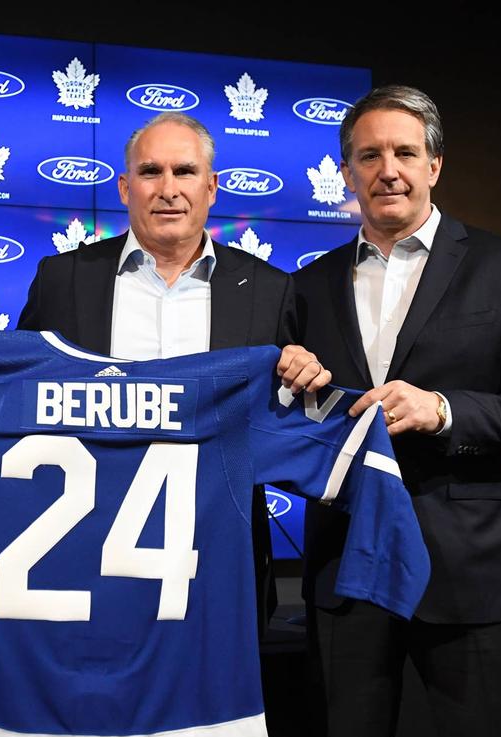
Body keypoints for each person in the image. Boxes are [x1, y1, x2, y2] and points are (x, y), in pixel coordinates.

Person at [294, 84, 501, 737]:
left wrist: (444, 408)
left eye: (405, 151)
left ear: (434, 165)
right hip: (346, 572)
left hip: (471, 576)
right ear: (346, 173)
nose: (387, 169)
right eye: (369, 155)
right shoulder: (308, 286)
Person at [17, 111, 329, 635]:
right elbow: (19, 395)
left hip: (220, 555)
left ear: (210, 188)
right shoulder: (63, 280)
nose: (168, 190)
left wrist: (307, 373)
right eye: (150, 172)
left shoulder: (270, 290)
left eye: (184, 172)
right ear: (123, 187)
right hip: (81, 549)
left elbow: (294, 415)